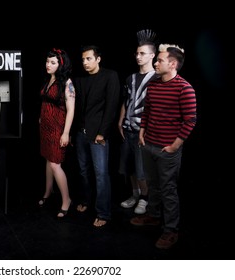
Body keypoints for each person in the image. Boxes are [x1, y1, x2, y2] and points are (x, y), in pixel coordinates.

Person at [130, 44, 197, 249]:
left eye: (159, 60)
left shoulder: (184, 88)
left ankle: (170, 231)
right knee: (153, 185)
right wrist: (142, 132)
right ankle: (153, 216)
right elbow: (147, 111)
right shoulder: (154, 85)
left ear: (173, 63)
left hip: (167, 150)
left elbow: (190, 120)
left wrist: (174, 146)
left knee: (168, 190)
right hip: (148, 144)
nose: (156, 63)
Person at [73, 45, 120, 227]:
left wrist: (103, 133)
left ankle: (103, 213)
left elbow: (111, 106)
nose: (85, 62)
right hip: (80, 134)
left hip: (98, 135)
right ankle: (86, 200)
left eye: (88, 59)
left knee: (101, 174)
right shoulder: (80, 79)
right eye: (83, 59)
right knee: (83, 171)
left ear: (98, 59)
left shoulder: (110, 76)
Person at [119, 29, 159, 215]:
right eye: (137, 53)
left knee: (142, 168)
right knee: (129, 166)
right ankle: (135, 194)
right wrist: (121, 120)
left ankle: (145, 197)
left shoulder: (158, 79)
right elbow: (126, 101)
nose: (138, 56)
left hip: (145, 132)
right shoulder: (131, 78)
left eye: (142, 53)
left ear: (152, 55)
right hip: (128, 129)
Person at [38, 48, 75, 218]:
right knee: (48, 158)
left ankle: (66, 200)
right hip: (45, 126)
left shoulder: (67, 82)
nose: (48, 65)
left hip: (58, 128)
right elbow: (47, 102)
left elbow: (71, 109)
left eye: (52, 63)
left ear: (60, 65)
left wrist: (66, 133)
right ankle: (48, 191)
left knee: (55, 164)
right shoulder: (49, 79)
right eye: (47, 61)